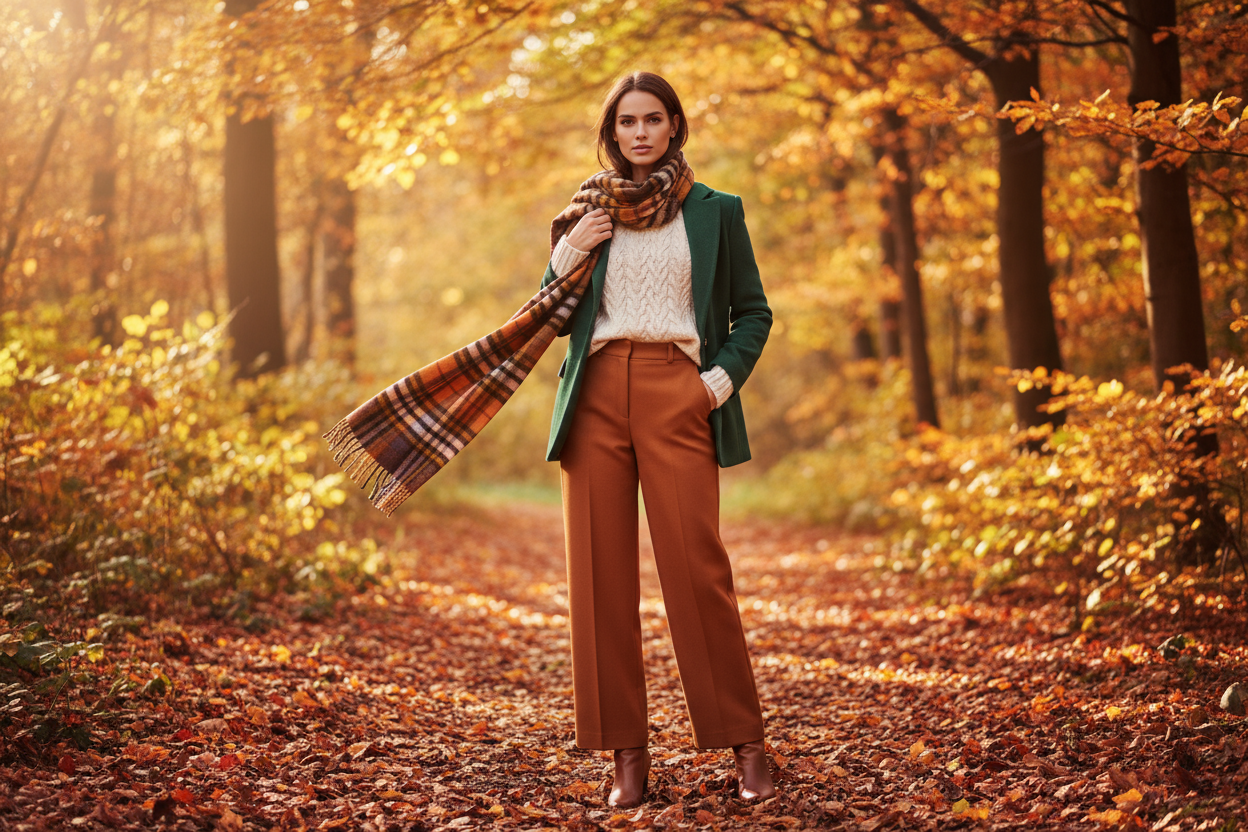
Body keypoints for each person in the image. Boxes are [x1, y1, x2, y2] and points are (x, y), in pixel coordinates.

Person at [539, 71, 775, 808]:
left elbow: (753, 314)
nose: (638, 132)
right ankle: (626, 760)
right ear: (611, 133)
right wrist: (569, 248)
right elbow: (549, 310)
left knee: (697, 570)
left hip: (680, 390)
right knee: (599, 580)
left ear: (674, 126)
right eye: (625, 122)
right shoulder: (586, 211)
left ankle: (748, 748)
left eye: (652, 119)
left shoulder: (715, 211)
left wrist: (715, 384)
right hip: (596, 396)